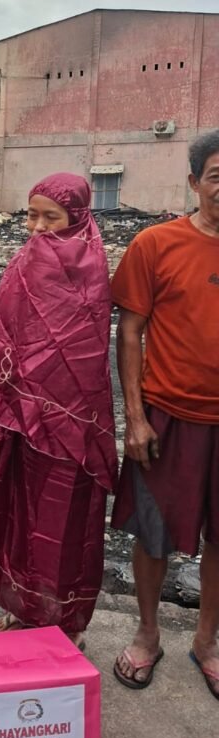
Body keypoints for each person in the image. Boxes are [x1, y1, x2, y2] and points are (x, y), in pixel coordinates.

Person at [0, 174, 117, 647]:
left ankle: (61, 619)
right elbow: (0, 330)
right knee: (18, 512)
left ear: (79, 218)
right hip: (18, 417)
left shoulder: (91, 267)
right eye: (31, 215)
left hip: (70, 421)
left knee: (61, 521)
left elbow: (84, 353)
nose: (38, 227)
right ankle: (24, 607)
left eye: (51, 217)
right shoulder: (24, 261)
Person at [111, 130, 219, 698]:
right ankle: (147, 634)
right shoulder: (156, 244)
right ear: (195, 182)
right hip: (168, 414)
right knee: (150, 533)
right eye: (218, 176)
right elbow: (129, 330)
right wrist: (134, 416)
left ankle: (206, 641)